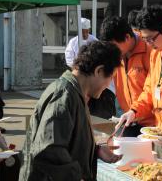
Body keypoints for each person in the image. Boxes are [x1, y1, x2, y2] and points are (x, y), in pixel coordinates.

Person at [19, 41, 123, 181]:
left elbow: (68, 140)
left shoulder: (75, 92)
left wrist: (95, 150)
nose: (109, 84)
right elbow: (50, 149)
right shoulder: (64, 94)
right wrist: (77, 176)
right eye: (110, 77)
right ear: (99, 71)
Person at [100, 16, 153, 136]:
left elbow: (152, 88)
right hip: (128, 118)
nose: (112, 51)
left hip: (151, 122)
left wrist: (135, 111)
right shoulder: (116, 54)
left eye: (114, 46)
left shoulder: (150, 50)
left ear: (127, 37)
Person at [65, 17, 116, 119]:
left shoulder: (94, 40)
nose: (85, 34)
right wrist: (82, 69)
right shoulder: (73, 42)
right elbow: (69, 59)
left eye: (87, 32)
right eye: (83, 32)